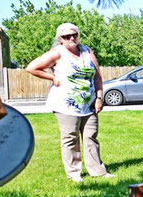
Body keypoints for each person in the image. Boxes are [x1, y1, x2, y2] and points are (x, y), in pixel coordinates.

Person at [26, 23, 114, 183]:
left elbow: (97, 77)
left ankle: (98, 171)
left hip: (89, 104)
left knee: (91, 137)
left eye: (74, 34)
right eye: (67, 36)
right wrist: (52, 78)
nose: (71, 38)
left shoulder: (87, 52)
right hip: (65, 105)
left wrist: (99, 97)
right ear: (60, 39)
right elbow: (32, 67)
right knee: (70, 138)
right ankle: (74, 173)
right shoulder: (57, 53)